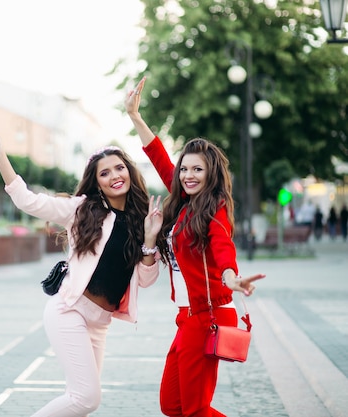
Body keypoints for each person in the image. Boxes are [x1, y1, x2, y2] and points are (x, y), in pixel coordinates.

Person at [0, 129, 166, 417]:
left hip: (100, 323)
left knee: (78, 402)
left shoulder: (143, 220)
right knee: (86, 398)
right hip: (70, 311)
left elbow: (145, 279)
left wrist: (150, 239)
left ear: (129, 171)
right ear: (97, 183)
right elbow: (27, 201)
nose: (114, 175)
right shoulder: (82, 210)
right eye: (104, 173)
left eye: (119, 168)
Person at [125, 76, 265, 417]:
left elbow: (222, 247)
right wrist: (135, 116)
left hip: (207, 317)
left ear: (210, 173)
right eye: (184, 169)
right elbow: (159, 159)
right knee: (172, 405)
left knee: (193, 409)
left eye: (197, 169)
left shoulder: (213, 209)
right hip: (186, 319)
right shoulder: (183, 204)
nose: (188, 175)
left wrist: (231, 277)